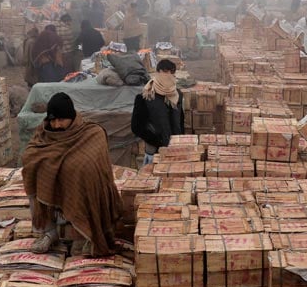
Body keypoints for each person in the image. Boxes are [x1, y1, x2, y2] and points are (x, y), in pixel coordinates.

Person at [22, 92, 122, 256]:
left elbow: (91, 164)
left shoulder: (92, 132)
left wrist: (67, 167)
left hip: (80, 187)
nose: (56, 125)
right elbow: (31, 153)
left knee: (79, 173)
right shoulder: (44, 133)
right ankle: (49, 231)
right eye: (53, 120)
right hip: (52, 200)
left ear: (72, 117)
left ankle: (82, 233)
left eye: (61, 119)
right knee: (32, 167)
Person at [131, 59, 185, 165]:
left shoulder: (177, 95)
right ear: (158, 72)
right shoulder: (145, 97)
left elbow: (180, 120)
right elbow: (136, 127)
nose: (168, 75)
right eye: (165, 72)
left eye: (171, 72)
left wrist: (180, 141)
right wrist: (156, 141)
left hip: (175, 150)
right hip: (155, 151)